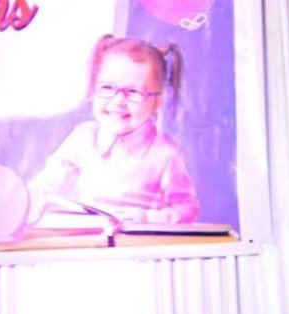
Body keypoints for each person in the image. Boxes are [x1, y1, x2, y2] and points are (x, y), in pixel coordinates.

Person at [28, 35, 199, 224]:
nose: (118, 101)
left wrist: (148, 217)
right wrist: (26, 200)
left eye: (134, 92)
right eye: (107, 88)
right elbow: (48, 183)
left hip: (138, 239)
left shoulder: (166, 153)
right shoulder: (83, 137)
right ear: (94, 89)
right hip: (91, 236)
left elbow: (187, 208)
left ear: (157, 101)